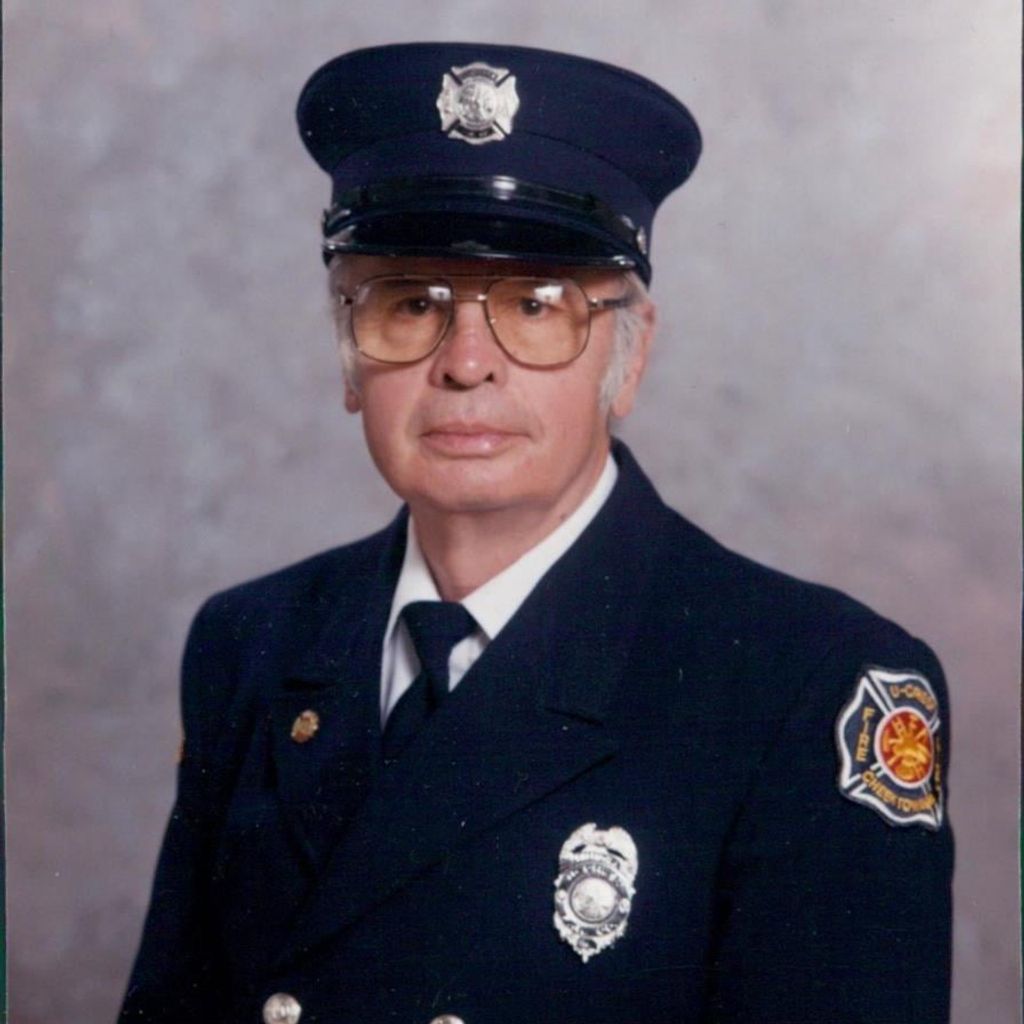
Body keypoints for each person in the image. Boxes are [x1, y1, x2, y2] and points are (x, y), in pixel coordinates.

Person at [119, 42, 953, 1024]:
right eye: (410, 304)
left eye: (536, 306)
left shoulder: (805, 689)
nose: (466, 362)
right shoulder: (253, 645)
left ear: (627, 360)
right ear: (348, 358)